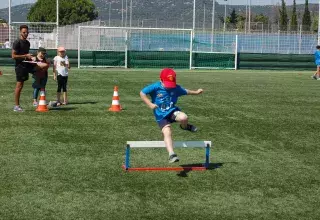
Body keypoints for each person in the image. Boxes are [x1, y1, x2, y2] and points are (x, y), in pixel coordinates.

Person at [140, 68, 204, 163]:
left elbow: (187, 91)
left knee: (184, 117)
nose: (170, 87)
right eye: (167, 84)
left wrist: (196, 92)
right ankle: (171, 154)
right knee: (167, 132)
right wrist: (149, 104)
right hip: (161, 115)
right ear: (161, 79)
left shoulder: (176, 88)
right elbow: (142, 93)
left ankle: (185, 126)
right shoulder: (155, 87)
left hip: (172, 111)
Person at [11, 25, 48, 112]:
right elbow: (13, 56)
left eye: (27, 32)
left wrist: (31, 57)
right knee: (19, 86)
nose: (26, 34)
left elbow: (27, 55)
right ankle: (16, 106)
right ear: (20, 32)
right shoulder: (17, 42)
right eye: (24, 32)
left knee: (44, 65)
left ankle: (39, 85)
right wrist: (25, 56)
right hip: (20, 66)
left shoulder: (27, 43)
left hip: (28, 64)